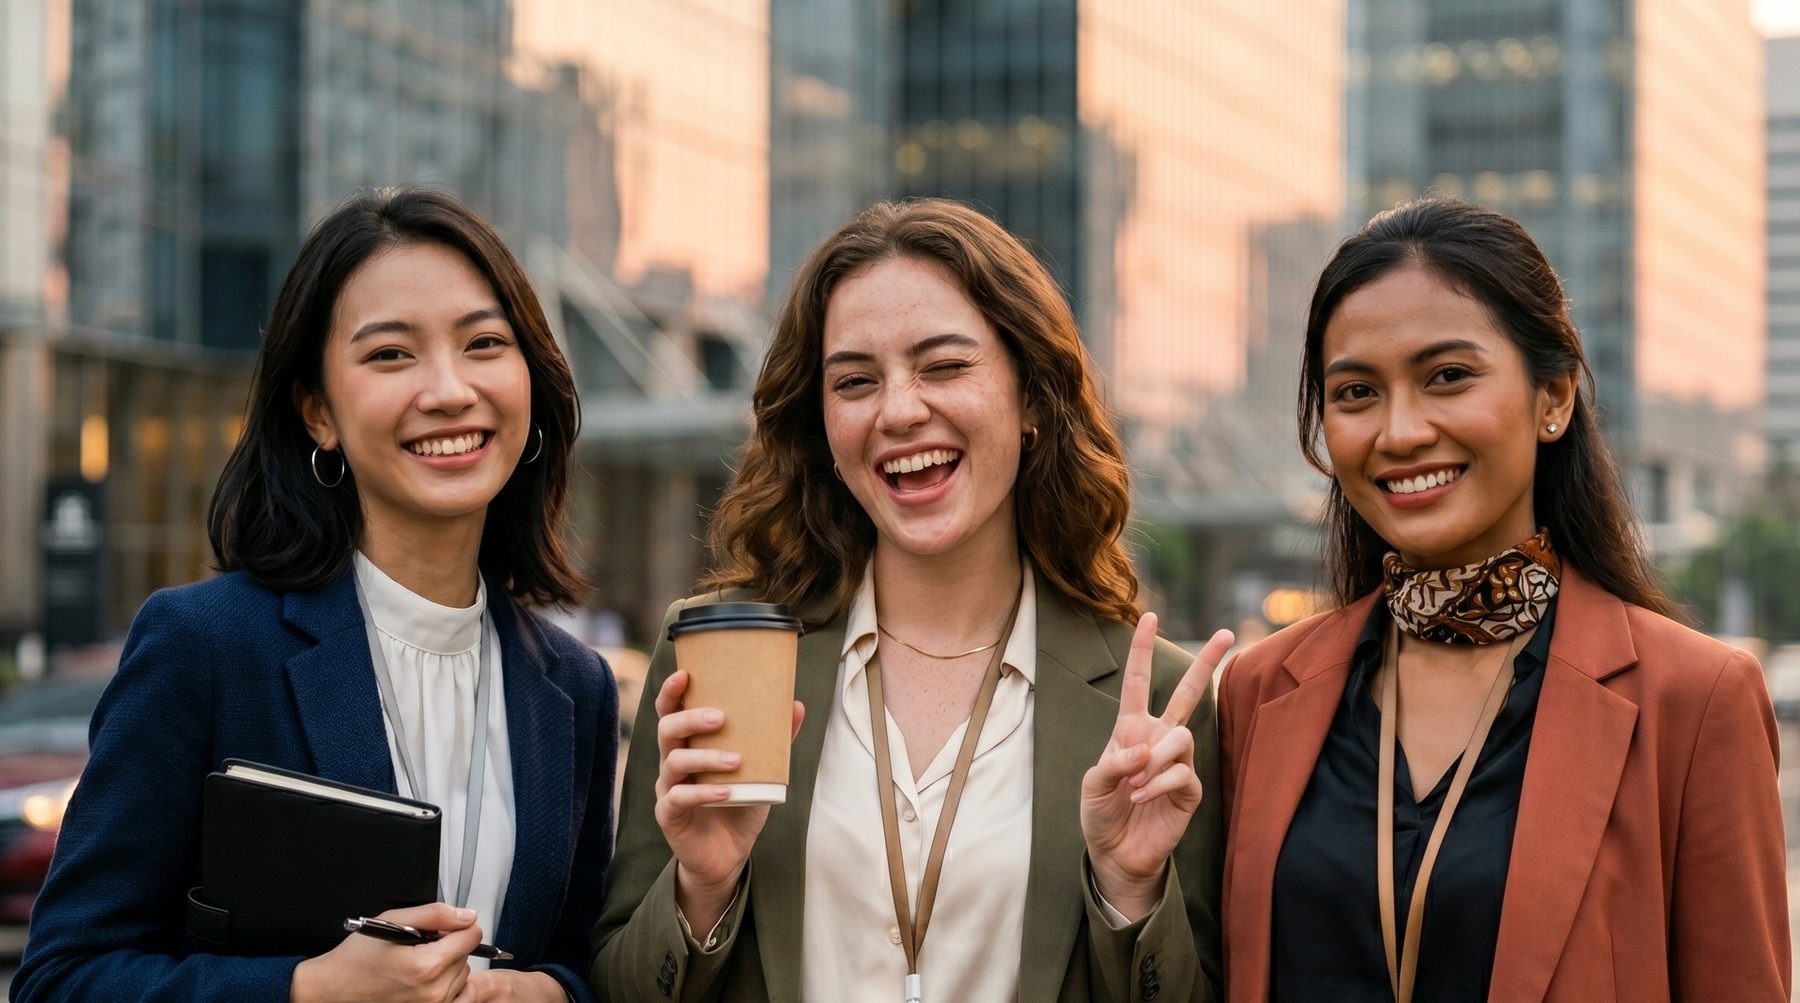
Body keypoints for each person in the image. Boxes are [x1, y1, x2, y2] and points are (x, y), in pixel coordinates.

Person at [590, 198, 1229, 1002]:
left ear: (1031, 398)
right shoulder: (720, 657)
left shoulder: (1162, 704)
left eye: (944, 366)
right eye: (855, 381)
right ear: (822, 420)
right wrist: (702, 889)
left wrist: (1128, 889)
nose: (898, 411)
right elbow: (617, 984)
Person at [15, 187, 617, 1003]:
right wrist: (304, 991)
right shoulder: (208, 645)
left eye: (483, 343)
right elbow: (62, 979)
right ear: (318, 412)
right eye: (390, 355)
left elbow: (579, 958)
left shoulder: (572, 686)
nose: (448, 389)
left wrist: (551, 994)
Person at [1216, 196, 1789, 1002]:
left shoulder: (1694, 703)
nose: (1401, 430)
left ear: (1552, 398)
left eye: (1447, 376)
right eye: (1355, 393)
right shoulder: (1258, 692)